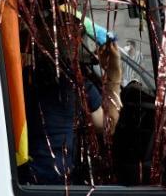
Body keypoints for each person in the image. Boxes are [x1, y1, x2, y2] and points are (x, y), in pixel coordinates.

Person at [23, 38, 123, 184]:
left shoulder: (23, 78)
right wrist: (113, 74)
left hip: (22, 177)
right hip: (59, 185)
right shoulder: (77, 85)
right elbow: (107, 125)